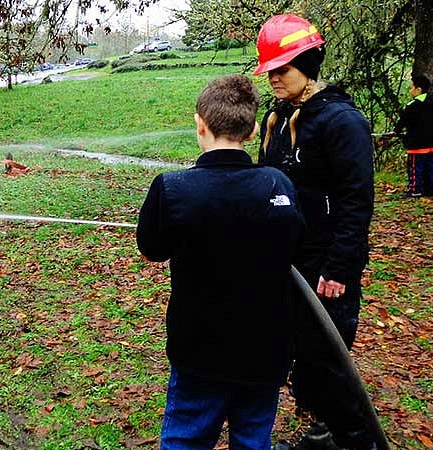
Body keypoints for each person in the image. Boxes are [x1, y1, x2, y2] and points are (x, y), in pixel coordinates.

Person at [137, 74, 304, 450]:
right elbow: (296, 244)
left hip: (200, 351)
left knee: (186, 440)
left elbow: (151, 249)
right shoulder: (279, 185)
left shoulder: (171, 187)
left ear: (200, 123)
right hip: (266, 351)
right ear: (251, 131)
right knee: (252, 441)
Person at [253, 14, 376, 450]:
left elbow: (356, 202)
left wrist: (340, 266)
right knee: (301, 358)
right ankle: (325, 432)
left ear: (308, 63)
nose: (272, 79)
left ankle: (357, 440)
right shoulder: (279, 118)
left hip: (326, 265)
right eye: (268, 70)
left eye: (281, 69)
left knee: (326, 358)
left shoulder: (342, 122)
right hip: (288, 261)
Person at [394, 74, 433, 198]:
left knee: (415, 168)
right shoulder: (430, 103)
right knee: (429, 167)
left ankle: (415, 189)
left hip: (417, 144)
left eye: (411, 88)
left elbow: (403, 121)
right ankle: (431, 190)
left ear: (418, 89)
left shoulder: (413, 106)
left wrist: (396, 131)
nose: (410, 90)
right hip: (431, 143)